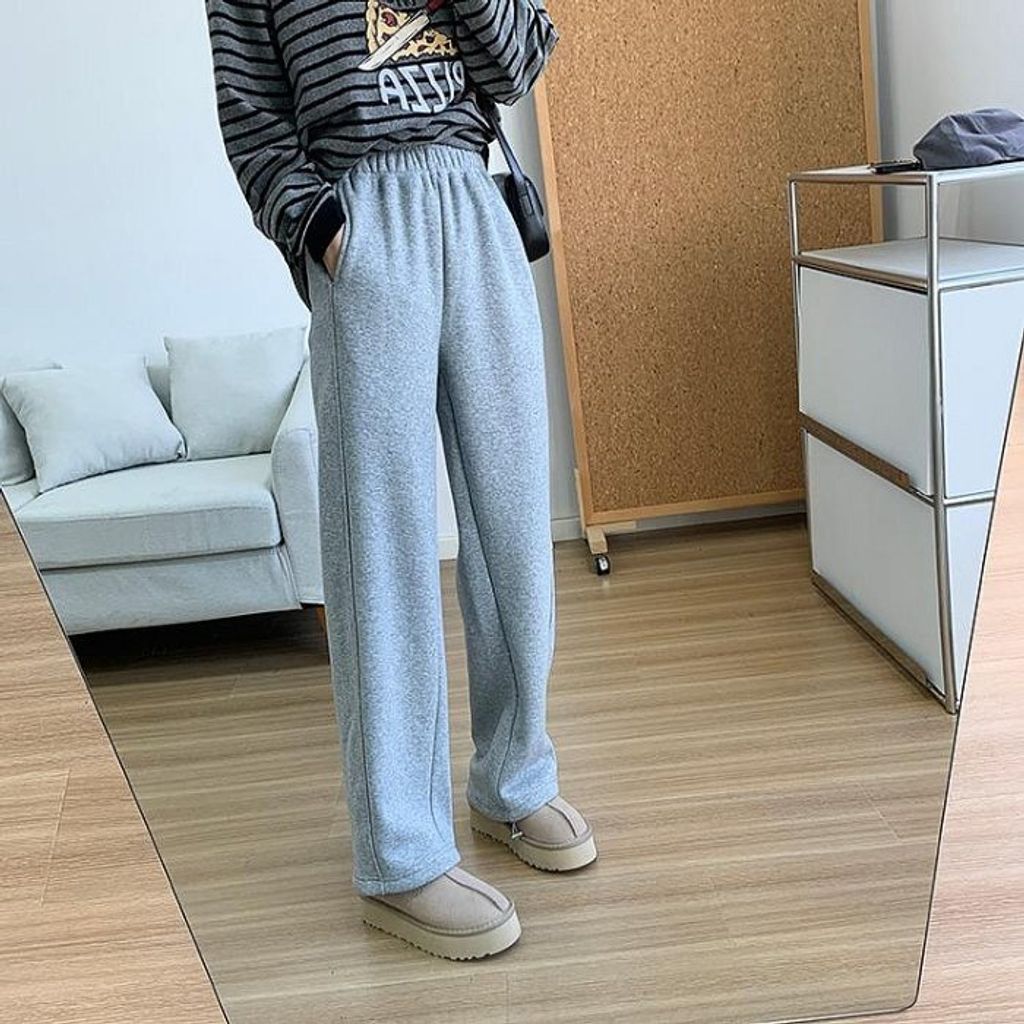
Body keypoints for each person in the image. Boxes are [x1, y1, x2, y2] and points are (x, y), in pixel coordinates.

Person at [205, 0, 596, 960]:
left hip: (474, 198)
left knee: (513, 526)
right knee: (381, 543)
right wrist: (323, 228)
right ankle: (400, 853)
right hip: (363, 218)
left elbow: (518, 62)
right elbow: (250, 111)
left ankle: (513, 778)